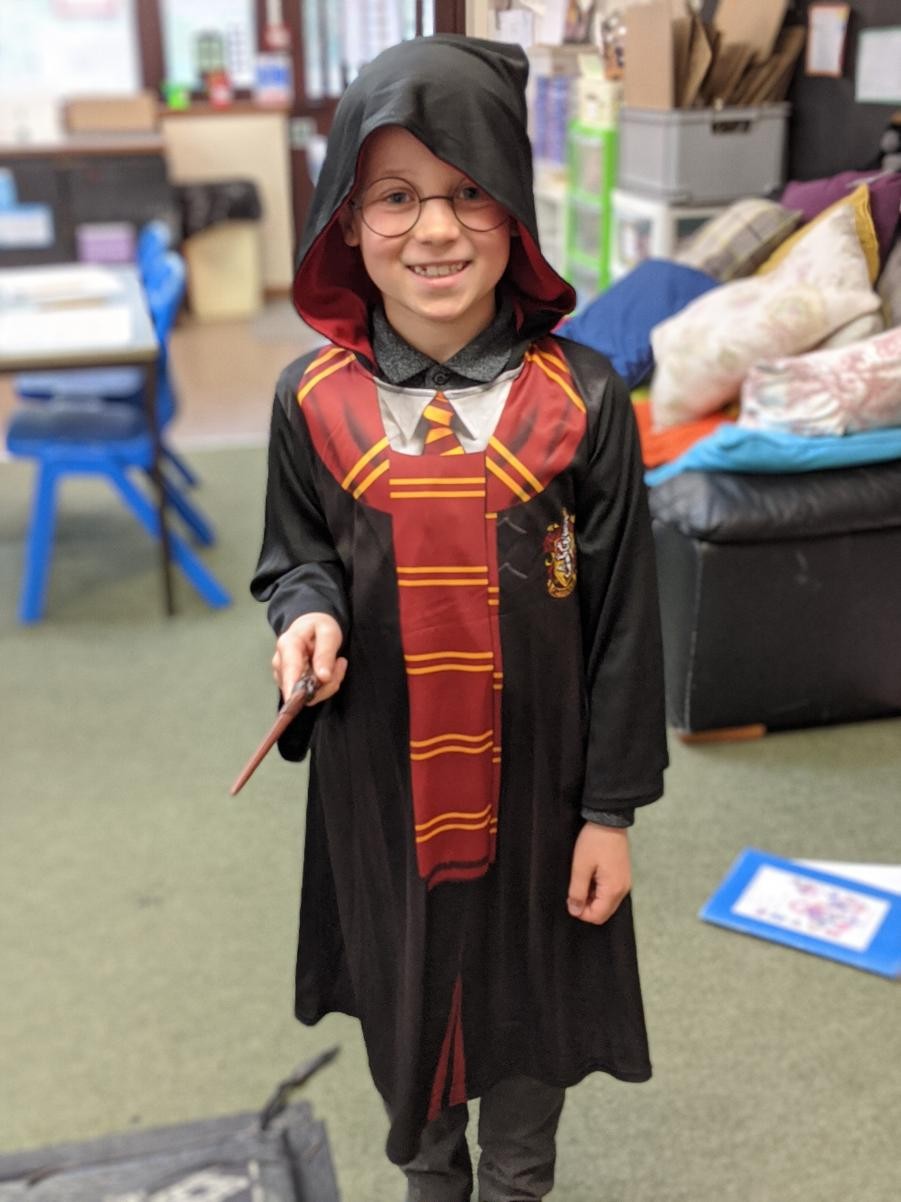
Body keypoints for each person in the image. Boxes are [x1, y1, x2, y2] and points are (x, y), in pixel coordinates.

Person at [251, 34, 668, 1202]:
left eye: (468, 191)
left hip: (541, 788)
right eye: (395, 196)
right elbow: (296, 559)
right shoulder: (311, 401)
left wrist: (609, 812)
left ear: (514, 210)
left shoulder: (583, 398)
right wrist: (306, 615)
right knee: (409, 989)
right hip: (381, 786)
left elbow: (625, 622)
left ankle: (517, 1180)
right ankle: (430, 1175)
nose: (434, 230)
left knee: (529, 996)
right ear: (346, 220)